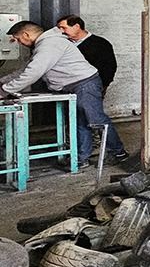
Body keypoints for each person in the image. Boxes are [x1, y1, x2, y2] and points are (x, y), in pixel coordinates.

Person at [2, 21, 129, 168]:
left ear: (26, 34)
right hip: (77, 85)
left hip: (84, 84)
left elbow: (32, 73)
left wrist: (4, 90)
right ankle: (81, 158)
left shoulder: (49, 45)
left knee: (96, 119)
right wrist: (2, 81)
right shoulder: (43, 45)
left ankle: (118, 152)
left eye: (18, 39)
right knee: (80, 122)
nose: (18, 43)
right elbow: (26, 69)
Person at [56, 15, 117, 94]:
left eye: (64, 28)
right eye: (59, 28)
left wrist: (102, 85)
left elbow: (109, 67)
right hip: (65, 87)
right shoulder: (62, 43)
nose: (61, 31)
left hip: (90, 87)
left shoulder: (100, 43)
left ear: (77, 26)